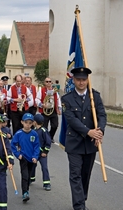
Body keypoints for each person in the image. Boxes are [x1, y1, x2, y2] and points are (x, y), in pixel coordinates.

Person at [61, 67, 107, 210]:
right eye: (78, 79)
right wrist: (88, 132)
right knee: (75, 175)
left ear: (88, 80)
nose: (81, 82)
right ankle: (79, 206)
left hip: (90, 144)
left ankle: (82, 198)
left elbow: (102, 116)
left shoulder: (95, 96)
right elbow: (71, 119)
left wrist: (100, 131)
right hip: (74, 143)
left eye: (84, 79)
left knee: (85, 174)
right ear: (73, 80)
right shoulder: (66, 99)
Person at [11, 113, 40, 202]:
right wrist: (17, 154)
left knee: (29, 176)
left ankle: (26, 189)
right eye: (26, 122)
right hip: (23, 158)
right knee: (25, 175)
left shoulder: (34, 134)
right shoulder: (19, 134)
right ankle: (25, 192)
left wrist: (35, 156)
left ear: (33, 123)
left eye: (30, 123)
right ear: (22, 122)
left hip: (32, 159)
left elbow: (36, 146)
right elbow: (13, 145)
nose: (28, 125)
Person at [36, 77, 62, 143]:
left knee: (55, 125)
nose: (48, 83)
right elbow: (37, 99)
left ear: (51, 83)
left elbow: (58, 100)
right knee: (44, 127)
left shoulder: (55, 91)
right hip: (45, 111)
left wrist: (59, 108)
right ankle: (46, 138)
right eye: (47, 82)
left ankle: (50, 136)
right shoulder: (41, 90)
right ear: (45, 83)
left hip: (53, 110)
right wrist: (42, 105)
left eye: (49, 81)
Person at [30, 114, 52, 190]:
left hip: (42, 153)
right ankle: (31, 178)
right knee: (32, 166)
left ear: (35, 122)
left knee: (44, 167)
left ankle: (47, 183)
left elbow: (48, 142)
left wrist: (45, 152)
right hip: (35, 153)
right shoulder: (33, 131)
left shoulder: (43, 131)